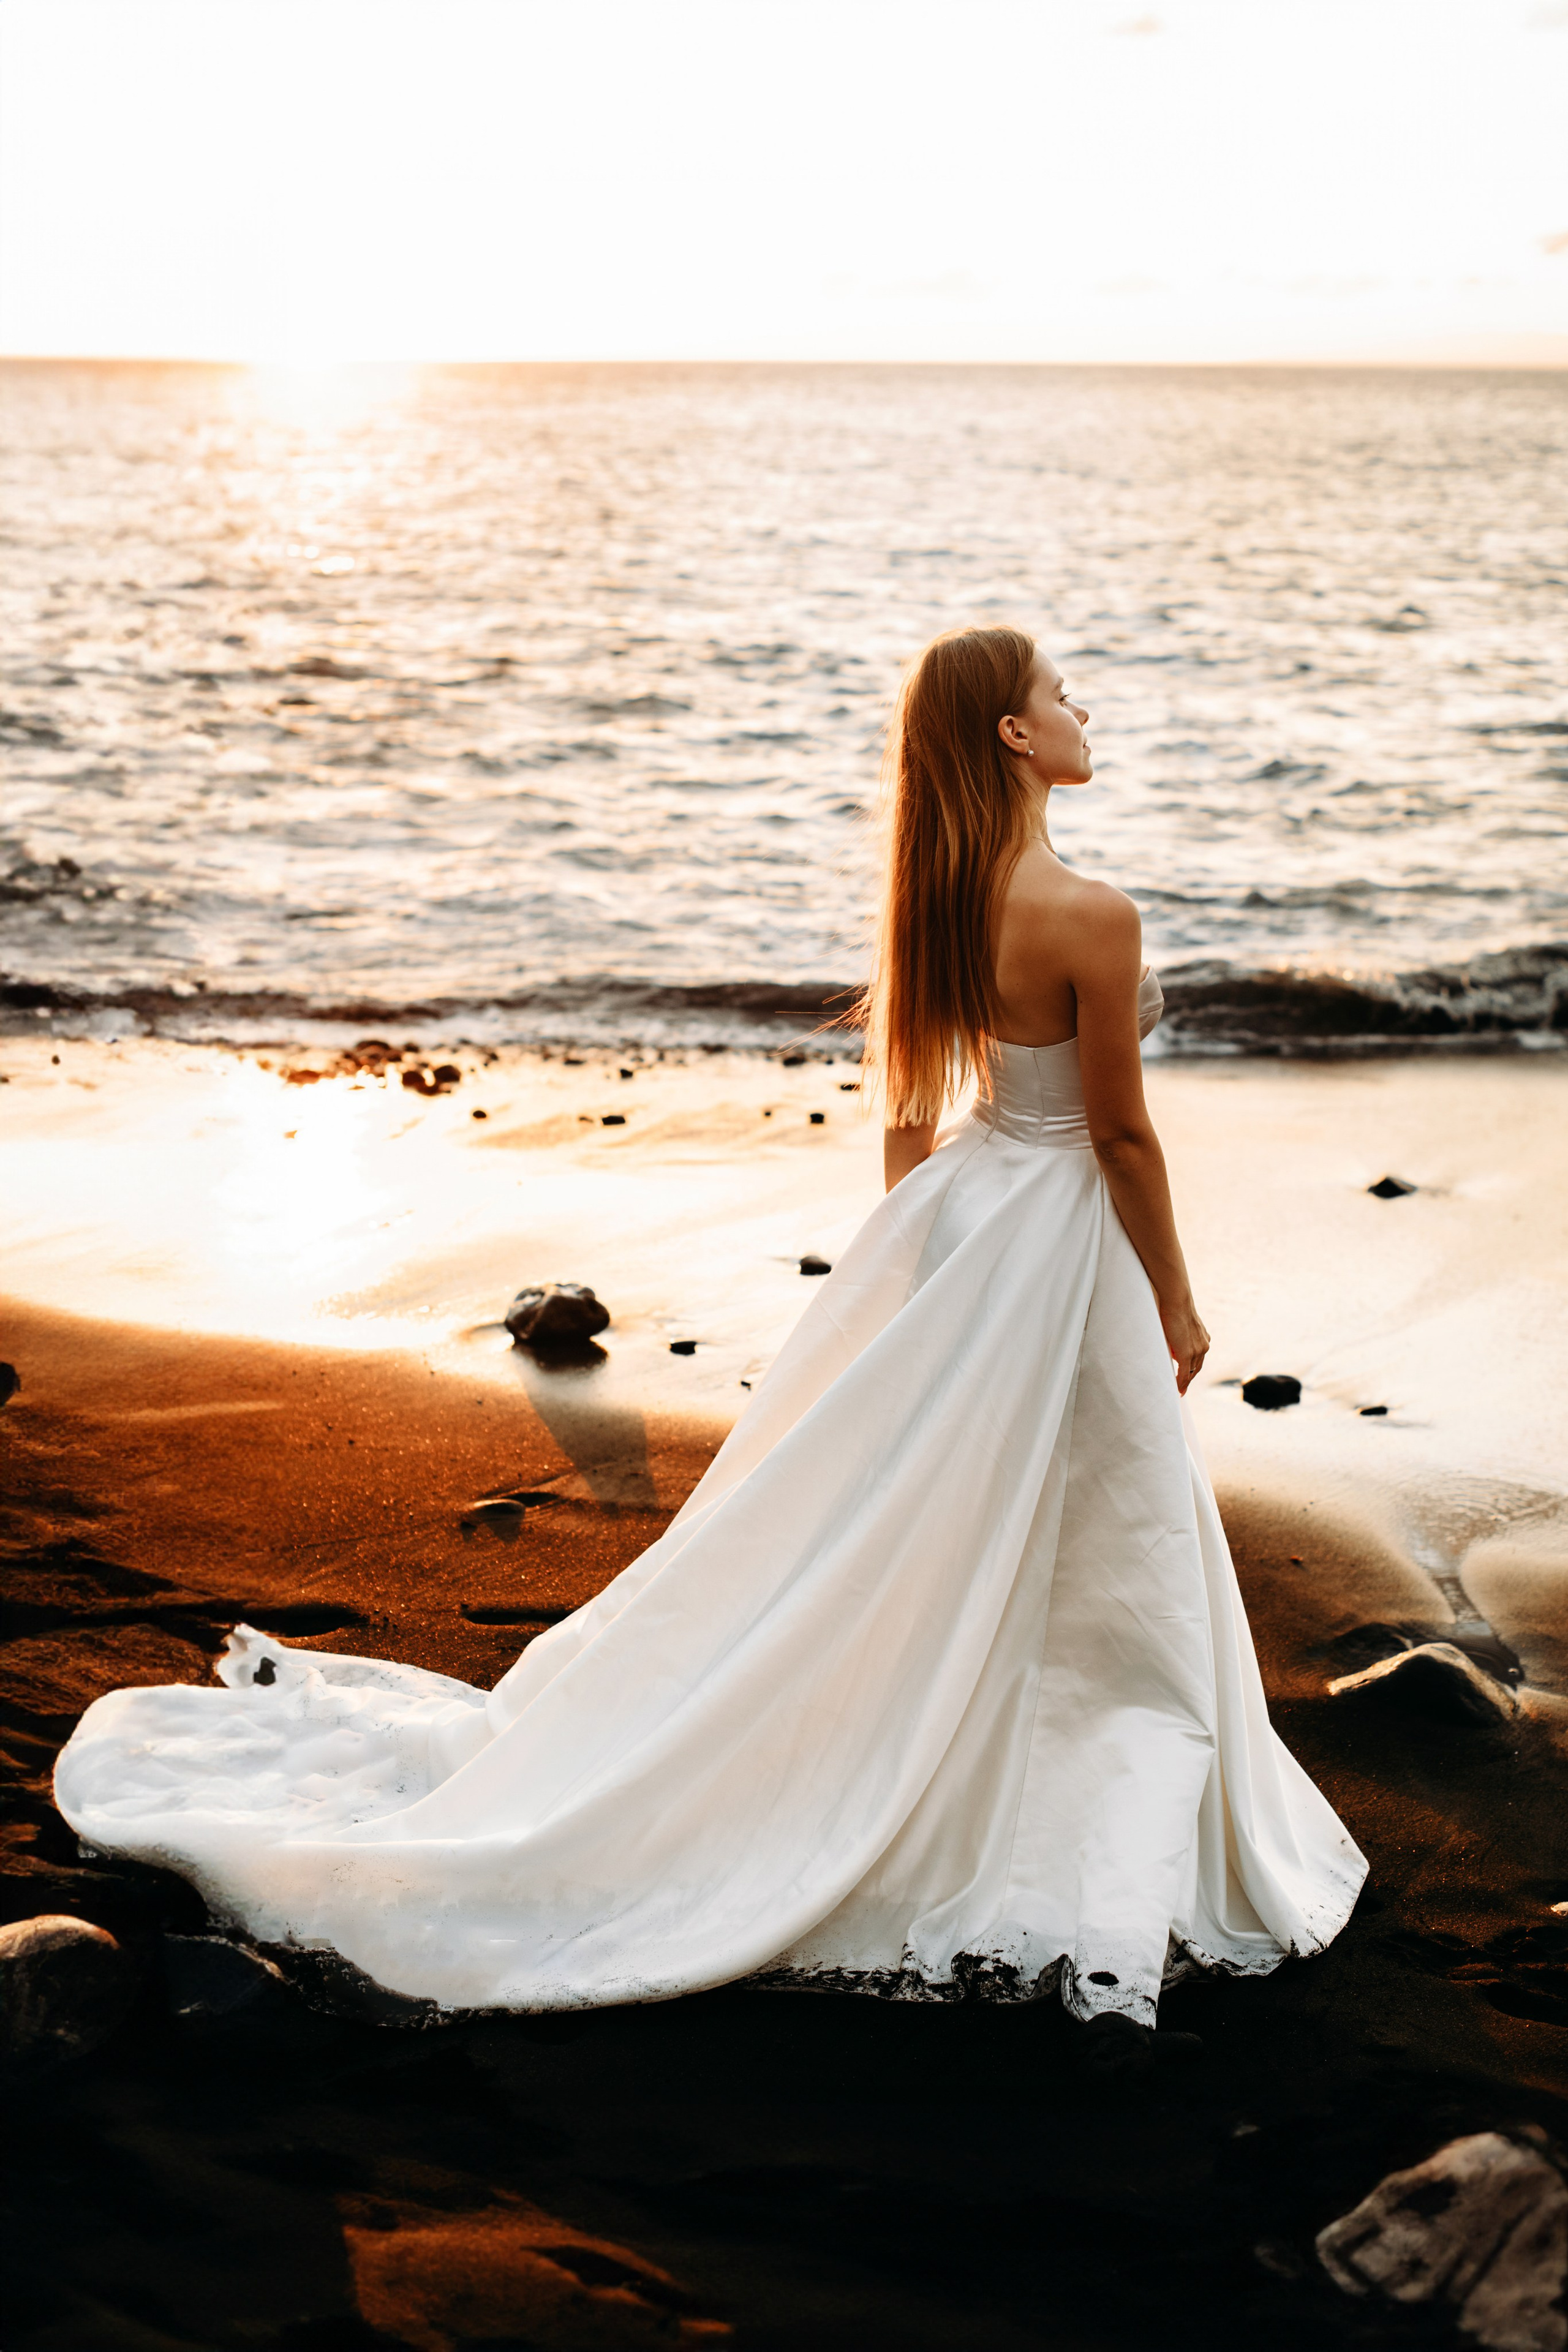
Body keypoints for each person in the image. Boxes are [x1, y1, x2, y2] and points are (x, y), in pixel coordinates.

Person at [55, 624, 1365, 2040]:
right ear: (1010, 734)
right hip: (1057, 1234)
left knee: (929, 1515)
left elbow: (912, 1112)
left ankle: (950, 1749)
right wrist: (1172, 1296)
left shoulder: (934, 898)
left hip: (967, 1213)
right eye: (1059, 694)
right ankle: (1052, 1782)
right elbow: (1116, 1131)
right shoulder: (1089, 914)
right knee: (1091, 1518)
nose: (1080, 708)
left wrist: (918, 1265)